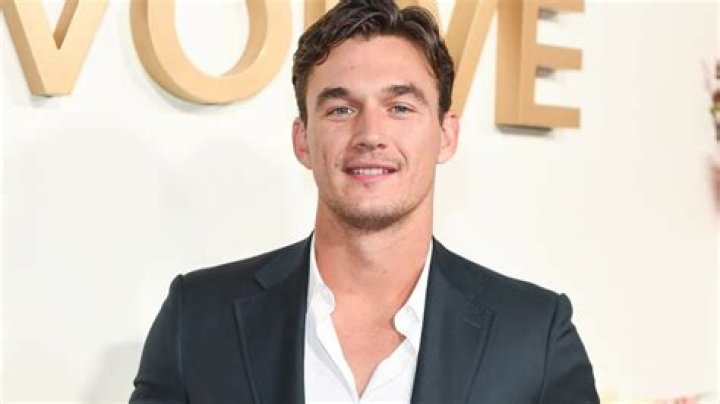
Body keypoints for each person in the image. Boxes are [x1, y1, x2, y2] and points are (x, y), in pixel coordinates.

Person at [130, 0, 599, 402]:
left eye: (400, 108)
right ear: (303, 140)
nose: (370, 134)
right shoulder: (198, 320)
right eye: (341, 109)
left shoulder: (534, 337)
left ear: (446, 135)